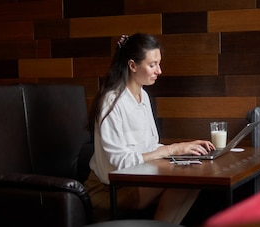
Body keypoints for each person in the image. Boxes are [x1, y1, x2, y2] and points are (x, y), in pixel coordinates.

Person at [85, 33, 215, 224]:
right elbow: (119, 163)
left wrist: (184, 149)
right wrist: (172, 149)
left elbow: (149, 146)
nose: (159, 71)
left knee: (194, 177)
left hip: (137, 179)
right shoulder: (111, 102)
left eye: (158, 64)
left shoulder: (143, 97)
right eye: (152, 65)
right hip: (110, 189)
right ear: (132, 65)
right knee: (187, 181)